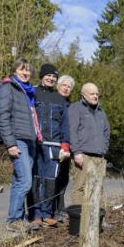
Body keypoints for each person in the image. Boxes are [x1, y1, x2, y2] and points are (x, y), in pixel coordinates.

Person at [0, 58, 42, 224]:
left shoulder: (28, 91)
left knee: (18, 181)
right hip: (17, 139)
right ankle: (14, 220)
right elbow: (3, 117)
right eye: (22, 69)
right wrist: (11, 143)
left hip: (30, 139)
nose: (25, 73)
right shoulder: (8, 87)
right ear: (15, 70)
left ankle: (18, 219)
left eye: (28, 70)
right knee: (25, 181)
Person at [32, 64, 70, 226]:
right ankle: (35, 215)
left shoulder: (59, 99)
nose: (51, 78)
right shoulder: (32, 93)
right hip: (35, 144)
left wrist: (65, 145)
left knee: (50, 180)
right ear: (42, 76)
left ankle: (47, 214)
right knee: (36, 180)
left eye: (54, 76)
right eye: (48, 75)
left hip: (54, 146)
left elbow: (65, 125)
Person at [68, 82, 110, 206]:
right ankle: (79, 221)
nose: (95, 96)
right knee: (80, 188)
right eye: (92, 94)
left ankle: (95, 220)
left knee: (97, 188)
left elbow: (106, 132)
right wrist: (76, 152)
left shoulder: (101, 111)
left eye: (97, 94)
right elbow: (72, 131)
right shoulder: (76, 108)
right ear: (83, 95)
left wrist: (104, 149)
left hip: (99, 156)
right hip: (83, 155)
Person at [53, 74, 75, 221]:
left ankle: (60, 208)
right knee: (52, 179)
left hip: (67, 147)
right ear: (58, 86)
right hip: (53, 144)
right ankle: (50, 209)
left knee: (63, 178)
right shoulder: (52, 101)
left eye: (69, 87)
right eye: (64, 85)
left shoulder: (71, 106)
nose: (66, 88)